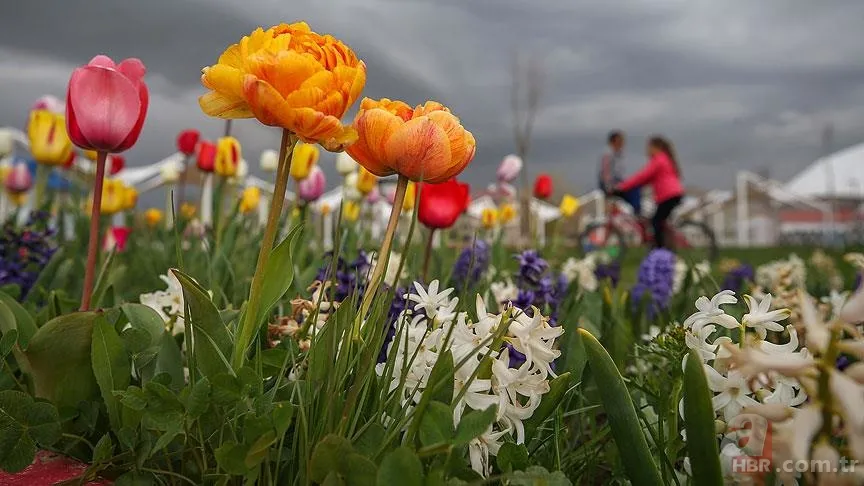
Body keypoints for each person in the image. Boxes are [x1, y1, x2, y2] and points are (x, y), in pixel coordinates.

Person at [615, 136, 684, 249]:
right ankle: (662, 249)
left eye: (649, 147)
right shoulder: (665, 158)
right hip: (674, 194)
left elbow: (642, 176)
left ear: (656, 148)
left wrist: (622, 187)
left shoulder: (658, 160)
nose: (647, 150)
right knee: (659, 222)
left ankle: (660, 252)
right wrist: (632, 186)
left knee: (656, 222)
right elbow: (646, 180)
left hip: (668, 196)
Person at [598, 130, 641, 215]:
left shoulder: (618, 154)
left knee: (634, 188)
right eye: (620, 141)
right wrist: (609, 187)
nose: (622, 143)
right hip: (611, 185)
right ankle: (637, 212)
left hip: (616, 183)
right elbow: (606, 172)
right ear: (613, 141)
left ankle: (634, 211)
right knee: (634, 190)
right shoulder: (608, 153)